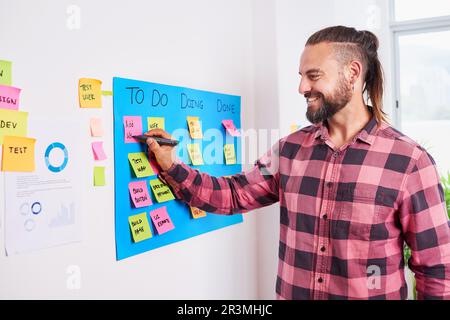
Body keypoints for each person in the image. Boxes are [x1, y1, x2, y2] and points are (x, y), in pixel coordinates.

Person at [144, 26, 450, 300]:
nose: (302, 88)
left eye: (313, 75)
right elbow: (233, 195)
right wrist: (171, 165)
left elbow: (437, 271)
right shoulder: (289, 151)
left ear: (353, 73)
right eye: (301, 76)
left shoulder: (410, 162)